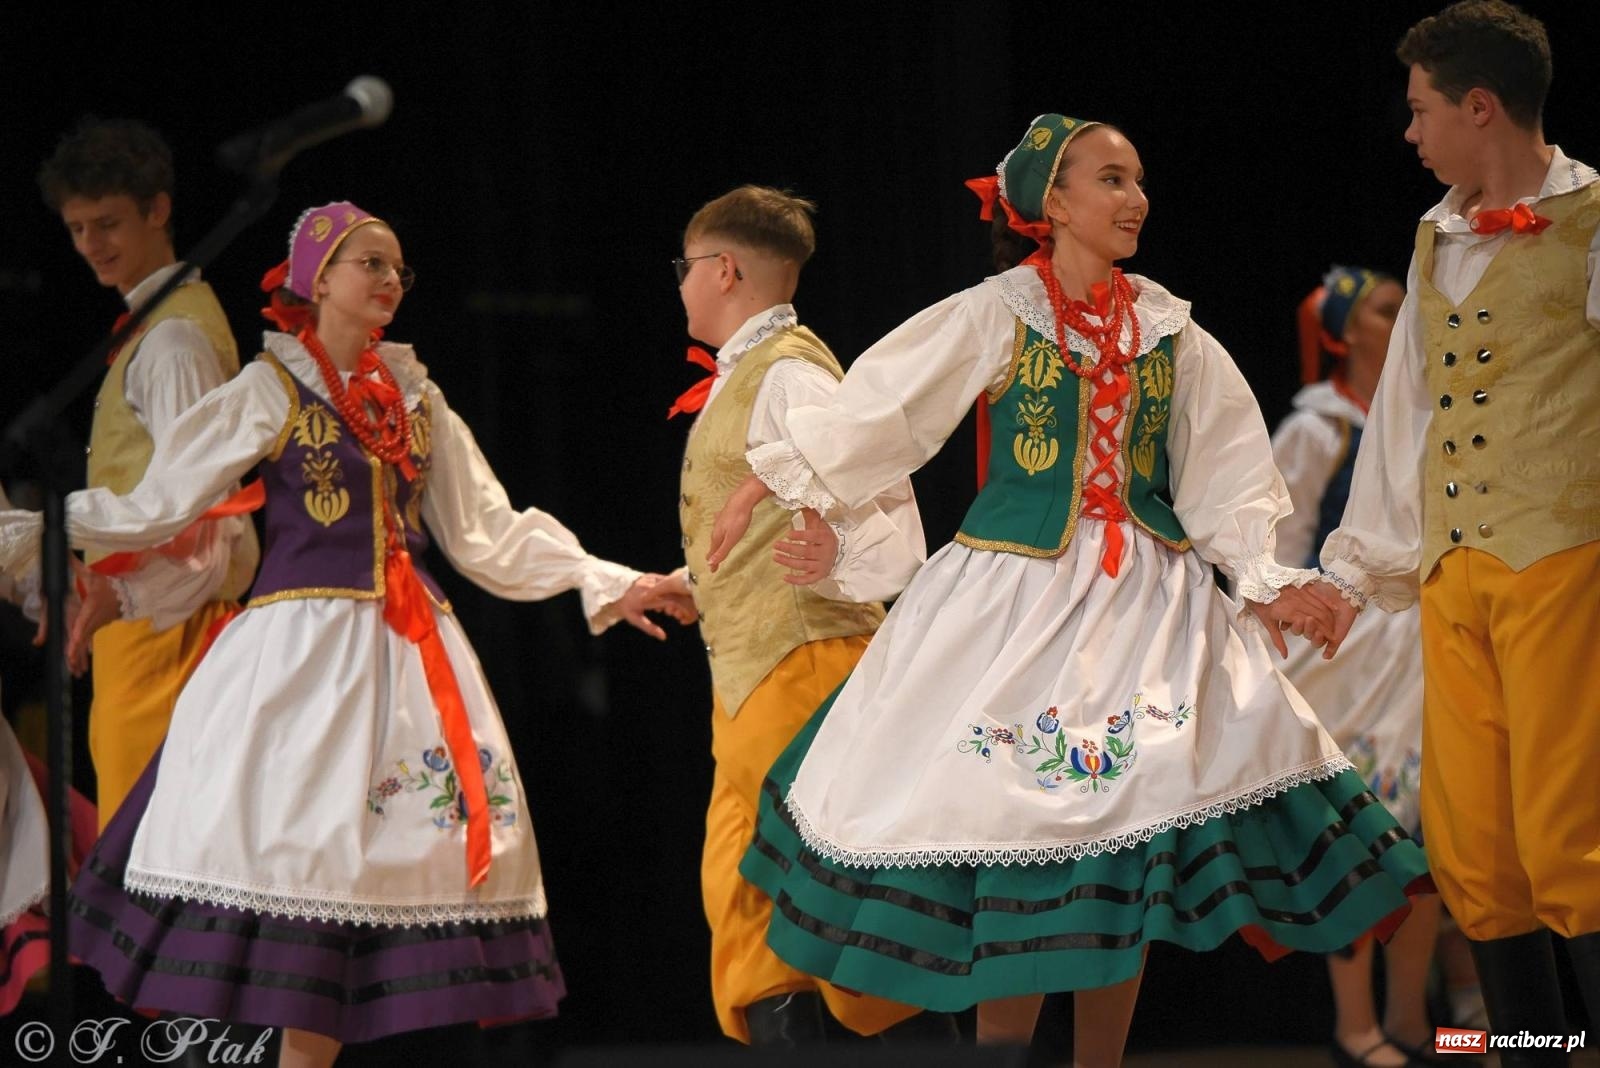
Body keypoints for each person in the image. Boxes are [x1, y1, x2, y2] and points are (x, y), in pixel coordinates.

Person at [709, 114, 1433, 1067]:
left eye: (1137, 180)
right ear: (1054, 201)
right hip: (1011, 603)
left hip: (1147, 608)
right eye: (1111, 179)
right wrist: (783, 482)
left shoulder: (1171, 328)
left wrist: (1261, 578)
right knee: (1003, 828)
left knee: (1120, 855)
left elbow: (1226, 474)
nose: (1135, 198)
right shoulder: (1002, 309)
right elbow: (885, 410)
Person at [0, 201, 689, 1067]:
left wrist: (609, 581)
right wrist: (34, 529)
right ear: (317, 278)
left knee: (369, 887)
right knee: (299, 876)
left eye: (399, 268)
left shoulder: (415, 395)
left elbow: (487, 531)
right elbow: (162, 501)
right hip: (299, 664)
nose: (390, 281)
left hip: (403, 662)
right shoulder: (271, 386)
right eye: (371, 263)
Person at [1310, 2, 1600, 1058]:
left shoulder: (1593, 219)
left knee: (1573, 837)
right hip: (1453, 575)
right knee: (1476, 851)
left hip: (1564, 560)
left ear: (1481, 108)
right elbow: (1405, 415)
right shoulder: (1436, 235)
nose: (1410, 130)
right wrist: (1359, 571)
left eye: (1422, 109)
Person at [652, 185, 929, 1045]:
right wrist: (697, 579)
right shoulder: (753, 377)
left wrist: (838, 556)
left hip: (808, 669)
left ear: (723, 268)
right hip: (749, 681)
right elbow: (775, 524)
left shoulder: (794, 376)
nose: (683, 285)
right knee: (753, 919)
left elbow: (897, 530)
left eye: (687, 267)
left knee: (845, 912)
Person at [36, 117, 259, 828]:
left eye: (107, 223)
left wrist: (127, 595)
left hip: (168, 630)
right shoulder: (153, 327)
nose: (91, 246)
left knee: (150, 852)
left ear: (158, 211)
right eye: (76, 229)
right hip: (139, 624)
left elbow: (207, 511)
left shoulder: (173, 339)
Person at [1274, 268, 1452, 1068]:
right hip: (1350, 651)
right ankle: (1355, 1027)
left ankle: (1414, 1020)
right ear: (1348, 332)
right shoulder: (1321, 429)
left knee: (1431, 844)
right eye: (1385, 306)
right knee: (1363, 836)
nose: (1402, 312)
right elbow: (1275, 550)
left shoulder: (1428, 414)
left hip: (1430, 641)